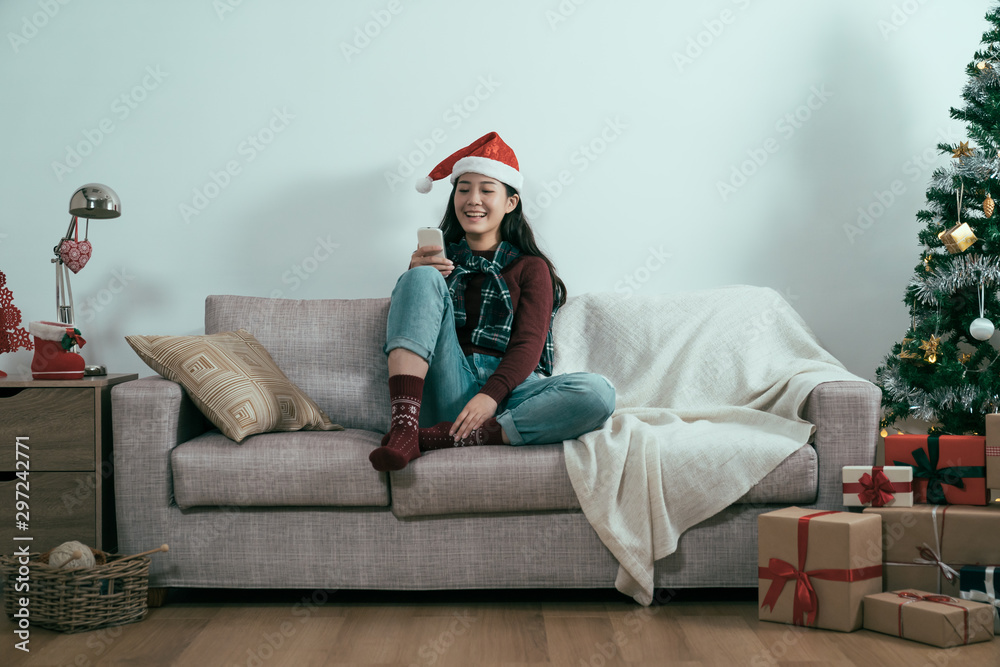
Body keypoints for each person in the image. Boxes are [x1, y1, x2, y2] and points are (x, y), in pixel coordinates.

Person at [369, 132, 616, 472]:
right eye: (464, 188)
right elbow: (417, 331)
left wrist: (490, 396)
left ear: (510, 202)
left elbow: (529, 344)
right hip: (448, 381)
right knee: (419, 277)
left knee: (598, 393)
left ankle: (450, 437)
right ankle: (404, 427)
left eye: (487, 190)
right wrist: (414, 278)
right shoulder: (437, 264)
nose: (473, 199)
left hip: (509, 394)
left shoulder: (531, 267)